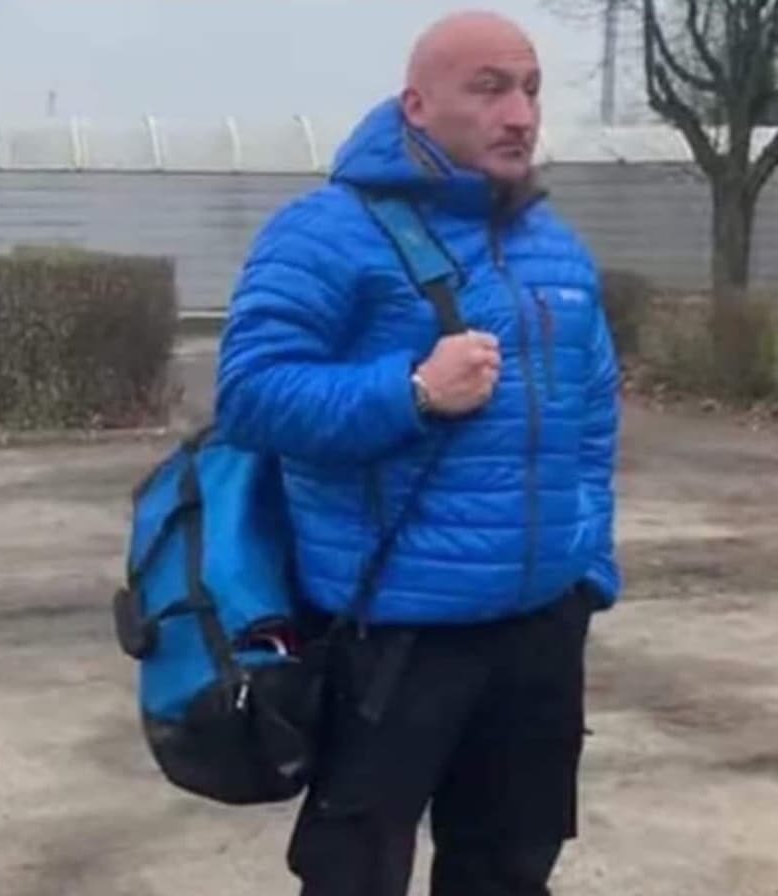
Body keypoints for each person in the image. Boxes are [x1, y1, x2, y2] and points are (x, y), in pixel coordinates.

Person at [213, 9, 620, 896]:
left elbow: (592, 416)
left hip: (538, 630)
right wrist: (412, 393)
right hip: (393, 634)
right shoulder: (326, 231)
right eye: (489, 89)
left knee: (511, 869)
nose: (519, 115)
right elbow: (248, 395)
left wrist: (587, 567)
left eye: (530, 90)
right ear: (416, 105)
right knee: (354, 876)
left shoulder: (554, 245)